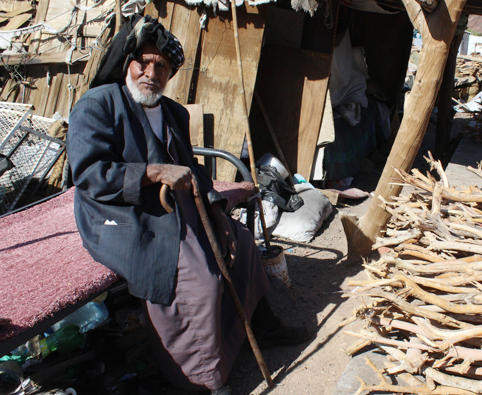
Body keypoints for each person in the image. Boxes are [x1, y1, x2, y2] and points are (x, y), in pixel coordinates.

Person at [67, 15, 306, 394]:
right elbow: (91, 175)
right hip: (123, 215)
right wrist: (153, 172)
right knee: (199, 279)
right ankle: (206, 378)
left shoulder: (172, 112)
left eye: (161, 66)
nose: (151, 72)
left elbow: (192, 168)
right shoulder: (98, 105)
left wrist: (214, 204)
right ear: (128, 63)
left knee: (241, 244)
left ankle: (260, 328)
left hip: (174, 205)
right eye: (142, 62)